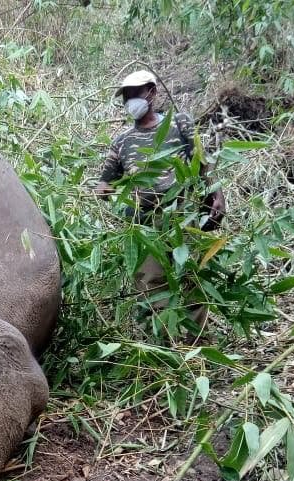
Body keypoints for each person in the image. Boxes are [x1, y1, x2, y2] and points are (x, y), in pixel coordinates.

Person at [94, 70, 225, 329]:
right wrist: (99, 193)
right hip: (144, 225)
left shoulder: (180, 124)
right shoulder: (122, 142)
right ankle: (162, 345)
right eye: (126, 96)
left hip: (182, 215)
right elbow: (104, 184)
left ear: (152, 92)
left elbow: (203, 162)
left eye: (135, 93)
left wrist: (217, 195)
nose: (130, 100)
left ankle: (194, 339)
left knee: (190, 275)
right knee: (149, 282)